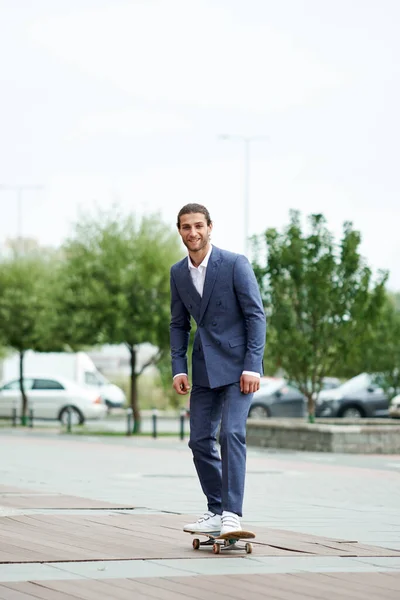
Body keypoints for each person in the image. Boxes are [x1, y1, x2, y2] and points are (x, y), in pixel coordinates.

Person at [170, 203, 266, 536]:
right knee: (199, 441)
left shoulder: (235, 264)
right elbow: (178, 324)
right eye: (186, 227)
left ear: (210, 227)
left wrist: (253, 366)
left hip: (240, 370)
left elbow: (256, 316)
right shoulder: (178, 273)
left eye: (198, 225)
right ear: (179, 230)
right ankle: (215, 509)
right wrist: (178, 368)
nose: (192, 232)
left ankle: (232, 515)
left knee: (230, 434)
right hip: (204, 369)